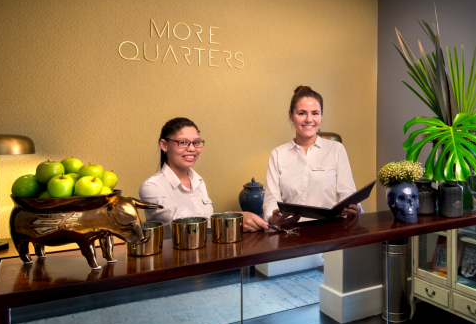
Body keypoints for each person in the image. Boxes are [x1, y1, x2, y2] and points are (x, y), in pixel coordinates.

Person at [140, 117, 268, 233]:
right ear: (164, 145)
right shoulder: (151, 187)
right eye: (183, 142)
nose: (192, 149)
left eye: (196, 142)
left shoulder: (198, 181)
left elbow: (206, 223)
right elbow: (185, 222)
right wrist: (234, 218)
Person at [263, 86, 362, 225]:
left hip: (330, 230)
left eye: (315, 113)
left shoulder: (336, 149)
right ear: (291, 115)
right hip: (290, 232)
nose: (309, 119)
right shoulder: (278, 154)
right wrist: (272, 218)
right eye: (302, 113)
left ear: (321, 115)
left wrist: (355, 207)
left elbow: (348, 194)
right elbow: (270, 201)